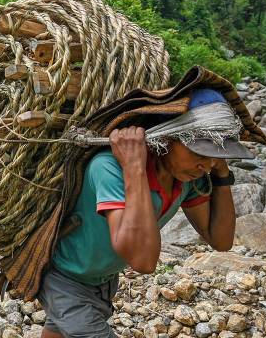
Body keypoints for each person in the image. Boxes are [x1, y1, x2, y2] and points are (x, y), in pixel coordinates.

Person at [39, 89, 249, 338]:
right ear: (167, 138)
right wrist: (134, 168)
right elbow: (143, 261)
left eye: (215, 156)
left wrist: (222, 175)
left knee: (58, 329)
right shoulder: (108, 167)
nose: (206, 165)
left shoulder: (187, 179)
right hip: (64, 277)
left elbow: (221, 240)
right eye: (199, 153)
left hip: (102, 280)